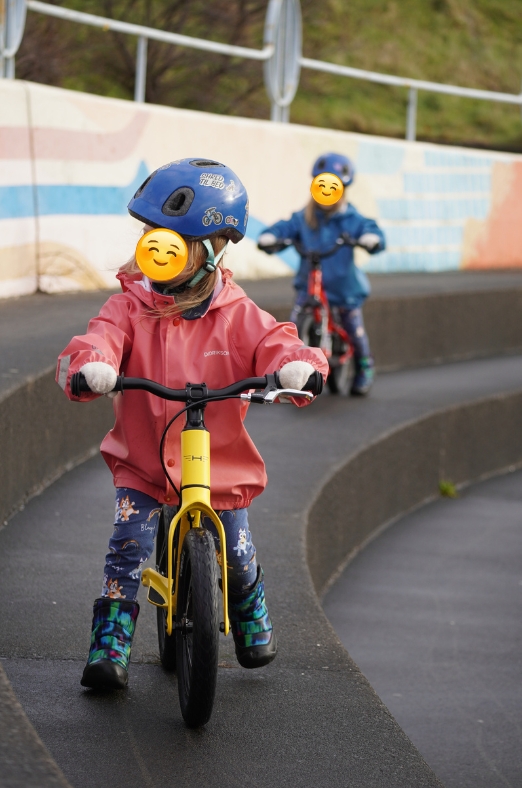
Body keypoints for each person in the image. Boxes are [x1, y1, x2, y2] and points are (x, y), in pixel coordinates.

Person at [56, 157, 328, 691]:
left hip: (219, 465)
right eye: (153, 238)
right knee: (128, 545)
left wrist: (298, 366)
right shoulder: (129, 306)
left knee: (239, 549)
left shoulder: (236, 312)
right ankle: (110, 642)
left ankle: (250, 609)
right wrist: (96, 365)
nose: (158, 252)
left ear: (210, 251)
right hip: (145, 460)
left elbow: (278, 341)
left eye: (174, 242)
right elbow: (98, 339)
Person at [258, 152, 385, 396]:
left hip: (342, 288)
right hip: (309, 286)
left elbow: (369, 228)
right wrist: (272, 236)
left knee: (354, 328)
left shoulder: (351, 219)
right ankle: (283, 370)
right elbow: (285, 227)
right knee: (293, 325)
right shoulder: (304, 218)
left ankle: (364, 366)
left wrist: (371, 238)